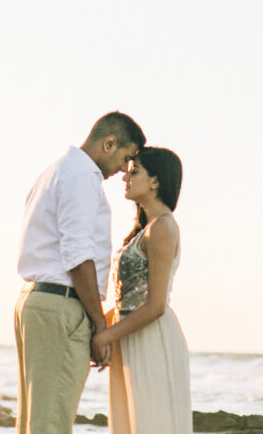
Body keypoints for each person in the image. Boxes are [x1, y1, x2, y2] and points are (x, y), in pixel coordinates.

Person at [14, 111, 145, 434]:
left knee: (35, 421)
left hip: (37, 301)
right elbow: (78, 256)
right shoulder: (82, 176)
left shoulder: (55, 171)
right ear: (109, 143)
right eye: (125, 158)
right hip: (61, 305)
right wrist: (99, 324)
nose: (122, 171)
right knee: (50, 424)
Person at [94, 146, 190, 434]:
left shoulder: (161, 228)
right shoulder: (142, 229)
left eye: (134, 172)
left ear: (156, 182)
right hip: (129, 334)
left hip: (151, 337)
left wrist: (106, 335)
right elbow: (126, 296)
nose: (125, 178)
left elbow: (155, 304)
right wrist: (101, 328)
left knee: (151, 423)